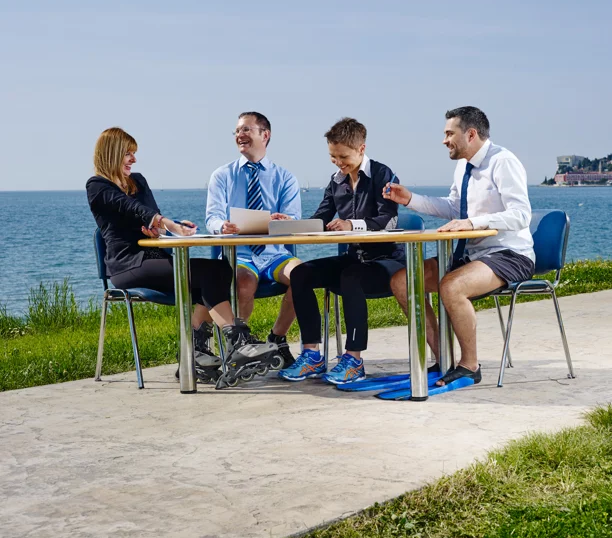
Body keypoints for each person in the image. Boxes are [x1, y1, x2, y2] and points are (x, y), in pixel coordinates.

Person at [86, 127, 278, 384]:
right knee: (209, 274)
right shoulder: (97, 186)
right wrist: (166, 224)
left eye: (133, 154)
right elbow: (128, 207)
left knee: (219, 271)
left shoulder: (138, 181)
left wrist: (164, 226)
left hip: (156, 258)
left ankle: (199, 351)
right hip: (128, 265)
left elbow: (148, 212)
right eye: (128, 154)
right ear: (112, 154)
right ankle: (237, 343)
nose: (133, 159)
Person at [384, 106, 535, 387]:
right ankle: (443, 358)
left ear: (471, 134)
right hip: (472, 255)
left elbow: (521, 214)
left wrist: (473, 223)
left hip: (510, 254)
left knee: (452, 286)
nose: (444, 140)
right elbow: (454, 207)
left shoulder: (504, 162)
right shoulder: (462, 166)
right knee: (403, 281)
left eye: (449, 133)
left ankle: (469, 366)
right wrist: (410, 199)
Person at [278, 117, 404, 384]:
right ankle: (312, 355)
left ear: (361, 148)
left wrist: (351, 224)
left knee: (351, 277)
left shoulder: (382, 174)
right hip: (353, 259)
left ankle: (353, 360)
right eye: (333, 157)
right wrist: (294, 225)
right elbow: (322, 217)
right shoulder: (337, 181)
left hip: (387, 262)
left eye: (343, 156)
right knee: (300, 273)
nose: (338, 162)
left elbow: (388, 219)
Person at [206, 112, 301, 368]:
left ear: (265, 135)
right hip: (241, 254)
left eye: (246, 130)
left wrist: (284, 222)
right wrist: (221, 226)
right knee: (244, 282)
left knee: (304, 275)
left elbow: (295, 221)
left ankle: (278, 338)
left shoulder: (286, 178)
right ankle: (240, 346)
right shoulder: (222, 175)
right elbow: (211, 218)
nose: (240, 135)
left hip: (275, 254)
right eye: (237, 131)